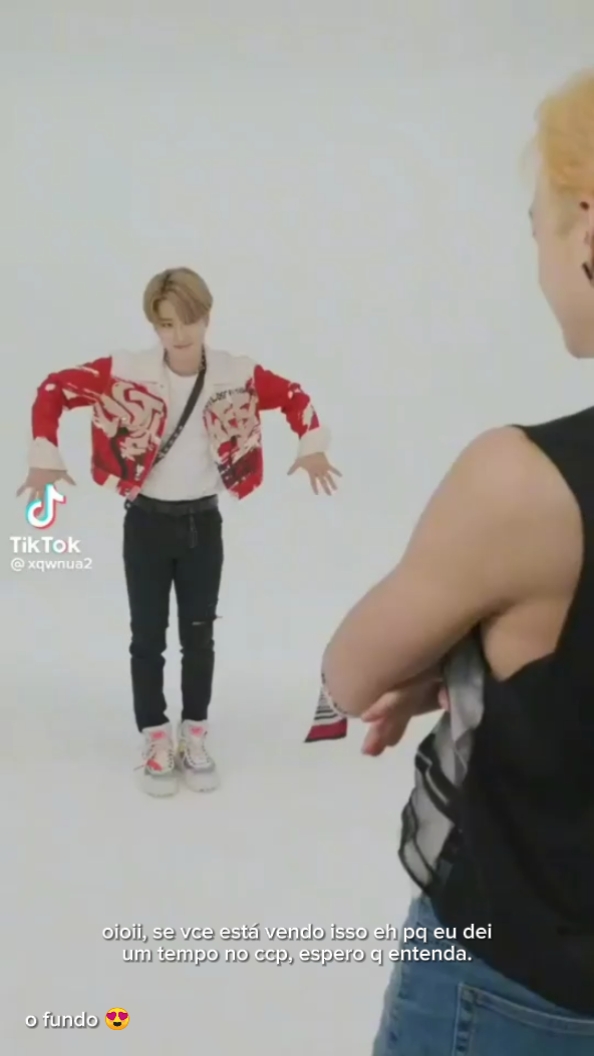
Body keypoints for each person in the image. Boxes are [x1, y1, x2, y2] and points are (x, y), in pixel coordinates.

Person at [322, 70, 594, 1054]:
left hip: (523, 990)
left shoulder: (525, 486)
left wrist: (458, 658)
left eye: (537, 225)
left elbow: (351, 677)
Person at [18, 267, 341, 796]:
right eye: (166, 323)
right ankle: (154, 735)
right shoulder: (126, 371)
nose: (179, 333)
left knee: (199, 636)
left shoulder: (235, 373)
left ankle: (195, 733)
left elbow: (294, 397)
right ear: (154, 325)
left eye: (188, 320)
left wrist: (312, 446)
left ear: (207, 316)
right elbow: (53, 388)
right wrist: (45, 454)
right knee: (147, 638)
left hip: (202, 525)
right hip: (145, 522)